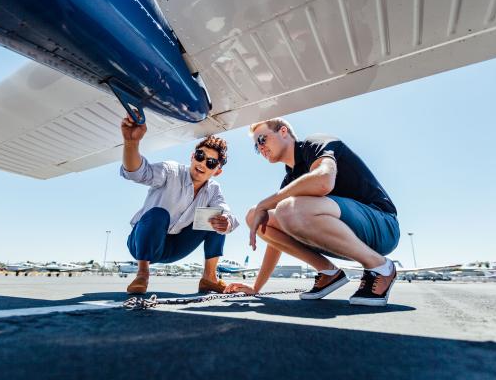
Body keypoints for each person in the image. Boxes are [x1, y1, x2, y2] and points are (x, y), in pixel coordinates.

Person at [225, 118, 400, 306]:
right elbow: (275, 241)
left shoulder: (315, 143)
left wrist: (265, 204)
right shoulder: (290, 181)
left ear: (283, 131)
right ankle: (328, 272)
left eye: (262, 140)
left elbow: (324, 180)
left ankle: (381, 267)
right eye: (256, 147)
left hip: (382, 226)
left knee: (284, 208)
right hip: (344, 239)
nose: (260, 148)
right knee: (255, 217)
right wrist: (256, 287)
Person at [120, 115, 239, 294]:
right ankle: (142, 274)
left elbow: (228, 215)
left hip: (172, 248)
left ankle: (209, 278)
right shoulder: (171, 171)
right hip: (141, 243)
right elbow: (138, 173)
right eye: (200, 156)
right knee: (158, 214)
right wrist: (131, 143)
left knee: (217, 218)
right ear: (192, 156)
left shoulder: (213, 189)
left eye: (211, 162)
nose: (202, 163)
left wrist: (226, 222)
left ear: (217, 171)